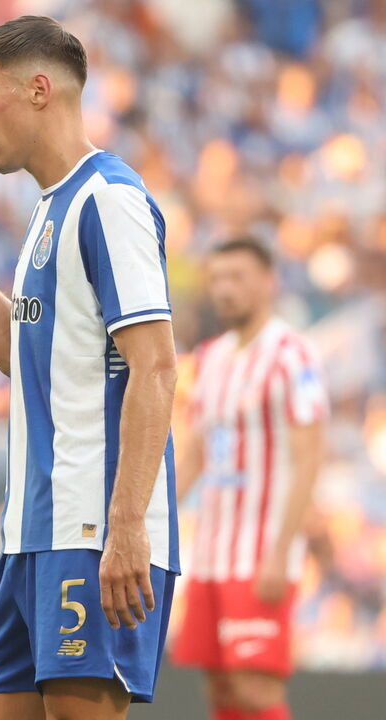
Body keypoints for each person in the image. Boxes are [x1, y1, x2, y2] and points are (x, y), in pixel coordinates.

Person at [0, 16, 179, 720]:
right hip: (30, 534)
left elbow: (158, 369)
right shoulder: (52, 209)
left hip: (92, 534)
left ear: (41, 89)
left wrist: (128, 526)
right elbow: (21, 358)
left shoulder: (107, 201)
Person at [171, 238, 326, 720]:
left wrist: (281, 551)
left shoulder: (291, 355)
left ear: (268, 282)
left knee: (253, 685)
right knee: (219, 684)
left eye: (237, 278)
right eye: (217, 279)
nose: (225, 290)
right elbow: (196, 452)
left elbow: (309, 457)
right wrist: (156, 518)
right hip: (212, 554)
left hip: (260, 552)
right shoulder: (212, 356)